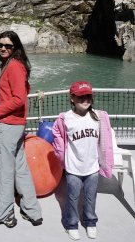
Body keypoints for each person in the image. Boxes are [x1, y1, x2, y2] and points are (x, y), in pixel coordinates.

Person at [0, 30, 42, 228]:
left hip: (8, 126)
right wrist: (0, 101)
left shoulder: (14, 66)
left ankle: (5, 213)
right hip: (17, 125)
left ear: (15, 47)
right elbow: (25, 90)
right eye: (0, 45)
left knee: (5, 171)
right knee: (21, 169)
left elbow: (19, 98)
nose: (3, 48)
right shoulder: (15, 65)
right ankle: (32, 211)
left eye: (8, 45)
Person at [52, 80, 114, 241]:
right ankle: (71, 224)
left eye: (88, 96)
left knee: (91, 197)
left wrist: (105, 161)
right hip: (73, 168)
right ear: (72, 98)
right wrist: (61, 159)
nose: (85, 100)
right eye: (81, 97)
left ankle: (91, 222)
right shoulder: (65, 119)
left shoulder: (99, 117)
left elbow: (105, 141)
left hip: (92, 167)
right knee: (72, 198)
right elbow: (58, 140)